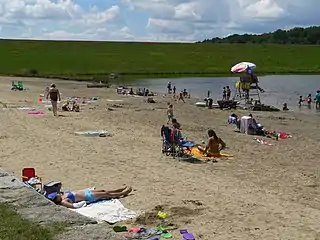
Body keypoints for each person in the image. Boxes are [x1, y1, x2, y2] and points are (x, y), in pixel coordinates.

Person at [47, 185, 132, 209]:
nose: (58, 194)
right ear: (56, 199)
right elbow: (73, 206)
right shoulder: (63, 201)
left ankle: (119, 189)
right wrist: (84, 203)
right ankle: (123, 193)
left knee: (104, 191)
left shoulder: (62, 195)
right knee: (107, 194)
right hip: (89, 197)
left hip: (86, 192)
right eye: (56, 196)